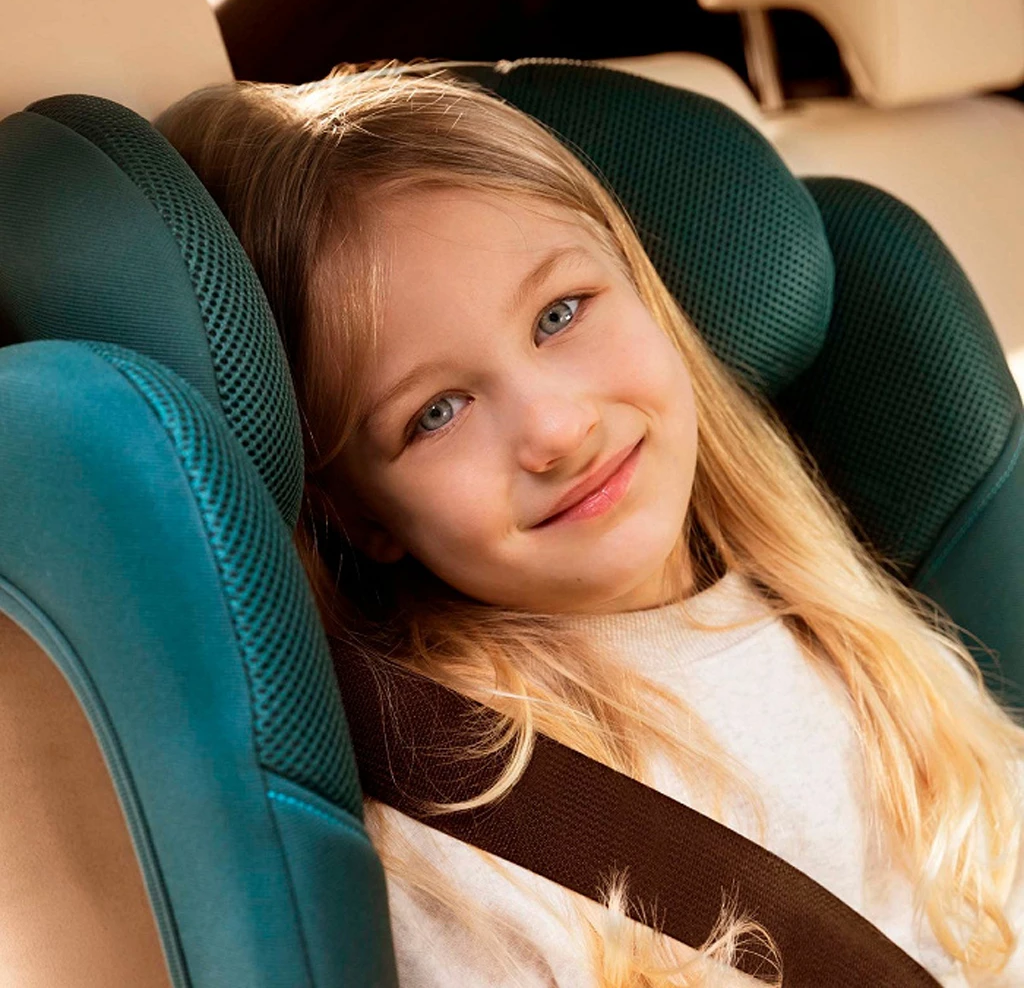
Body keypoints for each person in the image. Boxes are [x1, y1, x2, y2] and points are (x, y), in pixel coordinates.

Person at [156, 65, 1024, 988]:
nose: (557, 430)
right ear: (366, 518)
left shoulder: (844, 623)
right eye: (436, 413)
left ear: (643, 287)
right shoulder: (464, 848)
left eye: (559, 315)